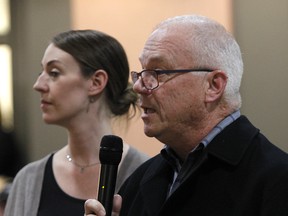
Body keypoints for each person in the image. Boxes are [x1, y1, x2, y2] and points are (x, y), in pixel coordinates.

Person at [84, 14, 288, 216]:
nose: (138, 86)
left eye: (157, 72)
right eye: (141, 73)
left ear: (213, 86)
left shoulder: (276, 179)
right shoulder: (138, 181)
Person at [4, 29, 149, 216]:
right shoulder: (28, 180)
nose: (38, 85)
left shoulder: (147, 175)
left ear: (96, 82)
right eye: (42, 72)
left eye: (54, 73)